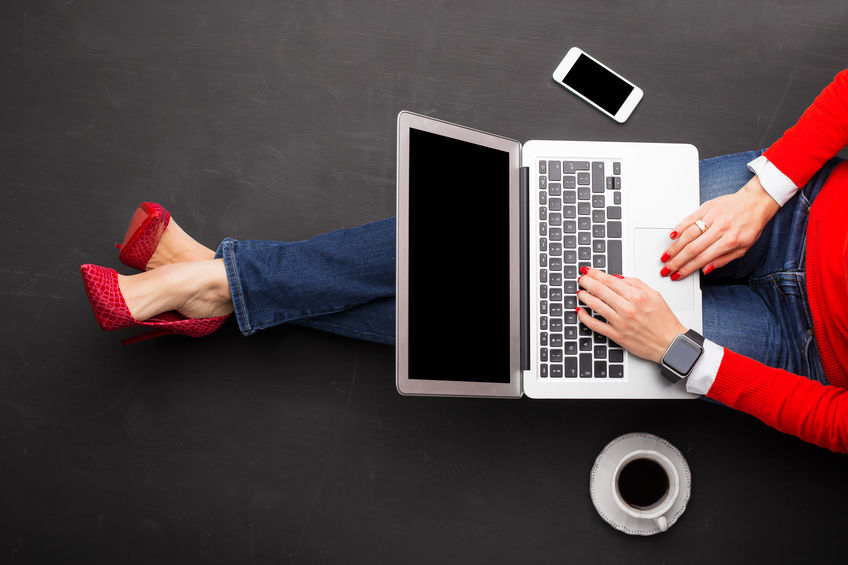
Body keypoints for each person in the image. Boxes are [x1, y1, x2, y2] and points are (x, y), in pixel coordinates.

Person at [81, 69, 848, 453]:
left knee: (532, 334)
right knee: (510, 229)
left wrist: (679, 353)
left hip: (797, 345)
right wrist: (766, 192)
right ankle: (218, 288)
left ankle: (216, 281)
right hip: (795, 210)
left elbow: (834, 420)